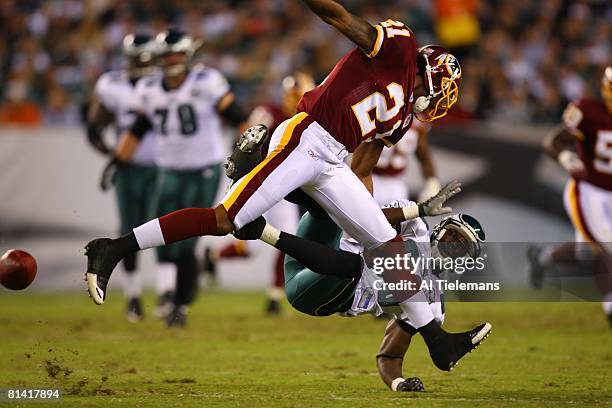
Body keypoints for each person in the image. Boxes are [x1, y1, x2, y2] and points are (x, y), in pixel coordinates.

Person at [85, 1, 467, 355]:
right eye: (443, 90)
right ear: (431, 74)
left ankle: (437, 341)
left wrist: (361, 218)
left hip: (334, 160)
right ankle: (113, 248)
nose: (441, 101)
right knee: (225, 220)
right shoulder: (397, 49)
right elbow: (341, 19)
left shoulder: (401, 118)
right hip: (307, 137)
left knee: (388, 245)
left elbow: (363, 169)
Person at [231, 189, 491, 384]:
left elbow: (389, 356)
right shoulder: (415, 226)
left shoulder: (433, 304)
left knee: (358, 265)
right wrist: (418, 211)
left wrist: (398, 385)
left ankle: (262, 231)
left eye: (462, 245)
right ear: (442, 229)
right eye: (454, 235)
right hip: (315, 252)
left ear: (466, 259)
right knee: (327, 199)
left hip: (323, 293)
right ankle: (250, 180)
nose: (453, 244)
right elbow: (370, 218)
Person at [99, 29, 248, 327]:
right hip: (168, 170)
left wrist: (246, 154)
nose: (172, 60)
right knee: (164, 233)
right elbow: (138, 129)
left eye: (177, 54)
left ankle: (180, 302)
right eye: (167, 55)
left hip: (203, 171)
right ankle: (168, 296)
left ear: (189, 55)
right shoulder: (150, 88)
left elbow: (238, 117)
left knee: (189, 238)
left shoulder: (206, 82)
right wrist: (118, 160)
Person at [204, 73, 314, 314]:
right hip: (260, 183)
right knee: (254, 244)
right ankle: (215, 257)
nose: (295, 100)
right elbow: (244, 140)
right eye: (293, 95)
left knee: (285, 240)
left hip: (284, 189)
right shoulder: (270, 113)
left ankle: (273, 297)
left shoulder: (309, 119)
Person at [528, 65, 612, 327]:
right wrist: (565, 157)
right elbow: (552, 142)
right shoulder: (587, 110)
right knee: (605, 246)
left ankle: (544, 258)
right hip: (589, 190)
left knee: (589, 250)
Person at [85, 33, 160, 322]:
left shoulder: (164, 84)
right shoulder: (112, 85)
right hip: (131, 170)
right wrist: (114, 157)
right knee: (130, 230)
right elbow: (95, 127)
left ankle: (169, 294)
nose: (142, 63)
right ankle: (133, 296)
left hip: (163, 166)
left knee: (170, 228)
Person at [372, 119, 440, 206]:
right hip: (369, 176)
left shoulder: (417, 124)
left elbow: (424, 157)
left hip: (397, 183)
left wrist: (432, 184)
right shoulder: (379, 115)